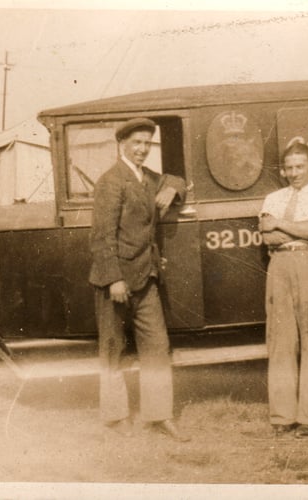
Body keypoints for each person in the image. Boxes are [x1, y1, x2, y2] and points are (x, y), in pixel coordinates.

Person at [88, 117, 190, 442]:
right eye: (137, 143)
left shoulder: (148, 179)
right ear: (123, 144)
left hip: (146, 279)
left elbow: (179, 179)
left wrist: (172, 188)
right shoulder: (111, 180)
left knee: (157, 347)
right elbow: (101, 237)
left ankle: (159, 415)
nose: (143, 149)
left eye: (148, 143)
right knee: (113, 348)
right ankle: (116, 417)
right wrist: (114, 279)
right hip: (115, 281)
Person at [258, 138, 308, 438]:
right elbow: (268, 237)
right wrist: (301, 230)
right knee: (281, 341)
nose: (294, 173)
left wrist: (282, 225)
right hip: (279, 267)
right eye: (289, 167)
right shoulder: (273, 198)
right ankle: (282, 416)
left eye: (300, 166)